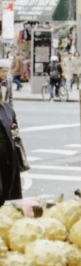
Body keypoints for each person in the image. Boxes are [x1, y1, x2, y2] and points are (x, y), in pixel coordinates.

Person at [0, 59, 21, 206]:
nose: (5, 73)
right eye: (3, 70)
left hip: (6, 153)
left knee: (6, 184)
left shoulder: (6, 109)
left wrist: (14, 131)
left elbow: (14, 128)